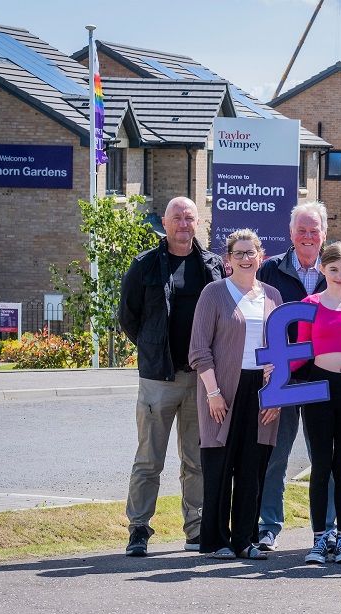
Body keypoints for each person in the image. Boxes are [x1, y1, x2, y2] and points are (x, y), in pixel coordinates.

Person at [119, 196, 226, 557]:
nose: (183, 224)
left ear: (198, 223)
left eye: (189, 218)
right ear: (164, 223)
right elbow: (129, 318)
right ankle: (138, 529)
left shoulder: (212, 266)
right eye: (177, 218)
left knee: (196, 459)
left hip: (201, 380)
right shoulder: (144, 265)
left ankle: (195, 530)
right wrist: (154, 349)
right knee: (149, 459)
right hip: (158, 379)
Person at [188, 230, 283, 560]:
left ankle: (245, 540)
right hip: (222, 390)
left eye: (251, 252)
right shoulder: (213, 294)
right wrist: (213, 393)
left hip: (261, 392)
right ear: (227, 260)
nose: (245, 258)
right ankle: (216, 541)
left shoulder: (272, 296)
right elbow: (199, 349)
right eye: (238, 253)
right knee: (219, 465)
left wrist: (274, 395)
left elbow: (279, 351)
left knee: (252, 468)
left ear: (261, 255)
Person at [255, 201, 341, 551]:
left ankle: (328, 527)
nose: (308, 236)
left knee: (326, 455)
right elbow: (257, 322)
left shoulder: (336, 270)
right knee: (275, 452)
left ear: (324, 234)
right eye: (302, 230)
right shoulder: (269, 271)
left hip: (325, 377)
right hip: (285, 378)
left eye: (314, 230)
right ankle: (268, 525)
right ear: (292, 234)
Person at [295, 242, 341, 565]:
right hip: (318, 389)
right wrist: (277, 371)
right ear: (322, 270)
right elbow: (300, 350)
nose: (340, 275)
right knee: (321, 464)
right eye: (333, 269)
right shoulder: (309, 304)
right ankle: (318, 540)